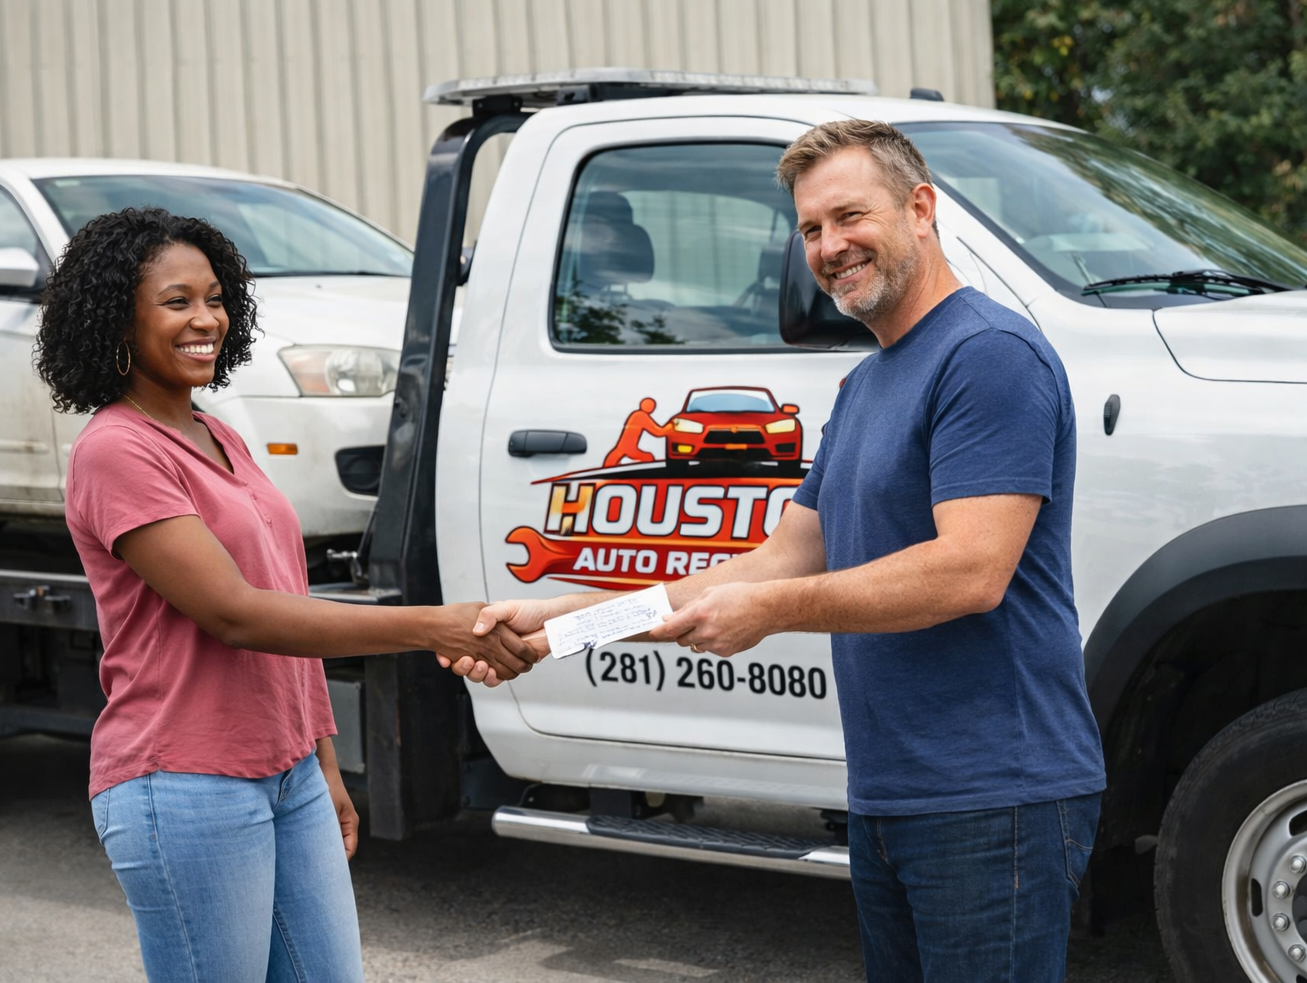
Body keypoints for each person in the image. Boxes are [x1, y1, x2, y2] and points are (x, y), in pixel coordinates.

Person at [470, 120, 1106, 983]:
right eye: (810, 229)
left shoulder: (987, 356)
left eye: (849, 216)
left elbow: (971, 570)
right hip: (892, 796)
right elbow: (771, 564)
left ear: (920, 208)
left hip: (996, 798)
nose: (830, 246)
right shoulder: (868, 381)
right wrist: (561, 624)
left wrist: (771, 614)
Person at [34, 206, 536, 983]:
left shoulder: (218, 435)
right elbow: (237, 614)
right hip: (185, 783)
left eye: (214, 297)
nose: (206, 319)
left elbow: (285, 598)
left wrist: (322, 763)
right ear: (116, 321)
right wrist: (440, 627)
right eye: (176, 302)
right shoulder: (115, 451)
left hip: (287, 774)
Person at [603, 396, 670, 466]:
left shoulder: (635, 414)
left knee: (612, 458)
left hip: (622, 446)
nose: (652, 408)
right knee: (648, 457)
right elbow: (658, 432)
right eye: (652, 406)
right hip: (629, 448)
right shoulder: (641, 416)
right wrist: (670, 427)